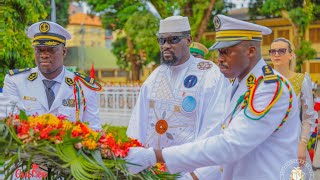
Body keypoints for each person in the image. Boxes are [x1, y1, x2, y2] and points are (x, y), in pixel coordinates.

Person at [125, 14, 301, 180]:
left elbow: (229, 145)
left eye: (226, 52)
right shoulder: (241, 86)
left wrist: (155, 156)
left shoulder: (269, 88)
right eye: (218, 53)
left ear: (251, 51)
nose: (219, 59)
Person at [126, 16, 229, 179]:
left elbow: (215, 132)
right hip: (152, 173)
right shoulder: (154, 77)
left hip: (191, 172)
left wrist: (196, 175)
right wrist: (133, 165)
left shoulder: (210, 74)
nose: (166, 46)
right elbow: (137, 126)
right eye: (161, 40)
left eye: (173, 39)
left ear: (188, 40)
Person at [3, 21, 102, 130]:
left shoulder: (83, 86)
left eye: (51, 50)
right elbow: (10, 123)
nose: (44, 55)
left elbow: (94, 130)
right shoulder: (16, 81)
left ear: (64, 51)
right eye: (39, 50)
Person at [270, 37, 318, 166]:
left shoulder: (301, 79)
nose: (276, 54)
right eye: (273, 51)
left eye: (281, 51)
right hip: (267, 142)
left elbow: (308, 116)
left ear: (290, 55)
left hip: (293, 141)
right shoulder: (263, 80)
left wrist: (302, 143)